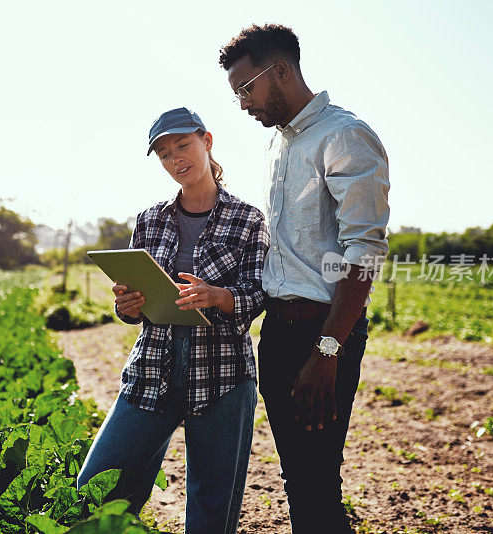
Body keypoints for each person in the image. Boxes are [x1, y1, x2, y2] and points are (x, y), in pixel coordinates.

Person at [219, 24, 391, 533]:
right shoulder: (279, 144)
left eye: (246, 89)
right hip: (278, 331)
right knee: (300, 481)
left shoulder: (344, 136)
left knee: (316, 484)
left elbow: (364, 254)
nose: (244, 104)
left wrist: (327, 353)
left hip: (322, 336)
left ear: (283, 71)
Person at [76, 107, 270, 534]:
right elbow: (131, 304)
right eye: (164, 153)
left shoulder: (248, 219)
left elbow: (258, 294)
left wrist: (220, 297)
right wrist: (126, 306)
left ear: (207, 141)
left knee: (211, 509)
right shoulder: (149, 220)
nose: (176, 158)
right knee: (97, 486)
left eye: (183, 145)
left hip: (222, 375)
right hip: (152, 369)